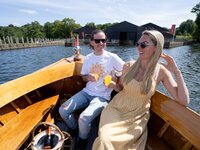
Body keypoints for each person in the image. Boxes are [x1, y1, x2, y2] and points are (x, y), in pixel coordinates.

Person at [92, 30, 190, 150]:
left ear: (156, 47)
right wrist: (113, 85)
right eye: (138, 44)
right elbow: (120, 89)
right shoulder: (128, 66)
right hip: (116, 108)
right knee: (104, 139)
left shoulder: (161, 72)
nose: (139, 47)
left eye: (143, 45)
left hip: (136, 116)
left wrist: (176, 71)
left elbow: (183, 101)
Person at [59, 30, 125, 146]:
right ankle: (74, 128)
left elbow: (127, 68)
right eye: (97, 40)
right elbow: (83, 77)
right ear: (92, 42)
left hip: (102, 96)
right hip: (86, 92)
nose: (101, 43)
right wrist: (88, 77)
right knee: (63, 110)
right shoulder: (88, 57)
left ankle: (82, 140)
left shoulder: (112, 57)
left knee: (84, 118)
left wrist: (117, 77)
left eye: (103, 40)